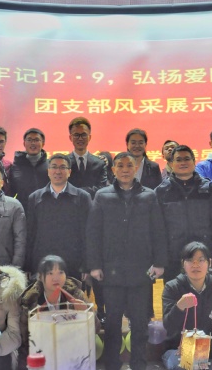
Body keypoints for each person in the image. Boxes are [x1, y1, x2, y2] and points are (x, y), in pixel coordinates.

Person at [86, 152, 168, 370]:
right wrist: (94, 265)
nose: (124, 169)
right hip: (111, 271)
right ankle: (112, 365)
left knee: (140, 324)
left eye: (129, 165)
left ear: (135, 168)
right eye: (120, 165)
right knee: (112, 323)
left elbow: (158, 231)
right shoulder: (102, 196)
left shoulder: (149, 195)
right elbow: (93, 233)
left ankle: (139, 365)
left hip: (141, 271)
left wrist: (159, 262)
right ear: (113, 169)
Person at [155, 145, 212, 281]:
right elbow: (157, 230)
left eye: (187, 159)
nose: (183, 162)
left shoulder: (208, 188)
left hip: (204, 257)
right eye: (178, 160)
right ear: (171, 163)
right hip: (173, 259)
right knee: (176, 295)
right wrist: (159, 261)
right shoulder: (161, 191)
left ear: (194, 162)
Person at [18, 255, 96, 370]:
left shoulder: (75, 293)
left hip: (71, 350)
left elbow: (95, 328)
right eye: (50, 273)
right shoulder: (30, 300)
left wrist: (84, 314)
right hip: (42, 353)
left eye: (60, 272)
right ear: (40, 276)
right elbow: (25, 341)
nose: (56, 278)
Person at [162, 242, 212, 370]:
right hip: (178, 350)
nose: (195, 265)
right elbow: (168, 326)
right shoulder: (172, 287)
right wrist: (179, 307)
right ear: (183, 264)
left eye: (201, 260)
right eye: (190, 260)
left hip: (211, 353)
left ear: (209, 263)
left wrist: (201, 349)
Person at [26, 154, 91, 280]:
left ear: (69, 172)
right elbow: (30, 233)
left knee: (71, 293)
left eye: (62, 167)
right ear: (48, 171)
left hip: (74, 261)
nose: (58, 171)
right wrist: (27, 265)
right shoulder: (35, 197)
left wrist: (86, 265)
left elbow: (88, 233)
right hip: (42, 260)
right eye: (54, 167)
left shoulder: (82, 197)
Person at [8, 128, 49, 210]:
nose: (33, 143)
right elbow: (10, 192)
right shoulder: (15, 167)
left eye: (36, 140)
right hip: (22, 211)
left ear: (43, 143)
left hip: (46, 211)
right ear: (24, 143)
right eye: (29, 140)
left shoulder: (50, 165)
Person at [67, 117, 108, 197]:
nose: (80, 138)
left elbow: (102, 188)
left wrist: (76, 191)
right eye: (76, 135)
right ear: (70, 138)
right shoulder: (64, 163)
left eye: (84, 135)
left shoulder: (100, 163)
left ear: (89, 137)